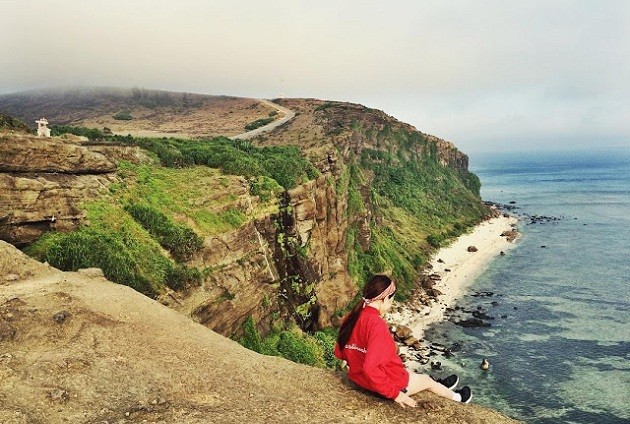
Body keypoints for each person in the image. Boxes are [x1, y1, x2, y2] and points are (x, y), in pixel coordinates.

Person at [334, 274, 472, 408]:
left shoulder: (352, 317)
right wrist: (396, 395)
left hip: (359, 379)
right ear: (385, 299)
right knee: (427, 380)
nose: (391, 304)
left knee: (413, 374)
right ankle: (459, 398)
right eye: (391, 300)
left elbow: (340, 352)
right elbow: (370, 368)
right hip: (380, 386)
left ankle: (440, 385)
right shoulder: (377, 325)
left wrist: (357, 355)